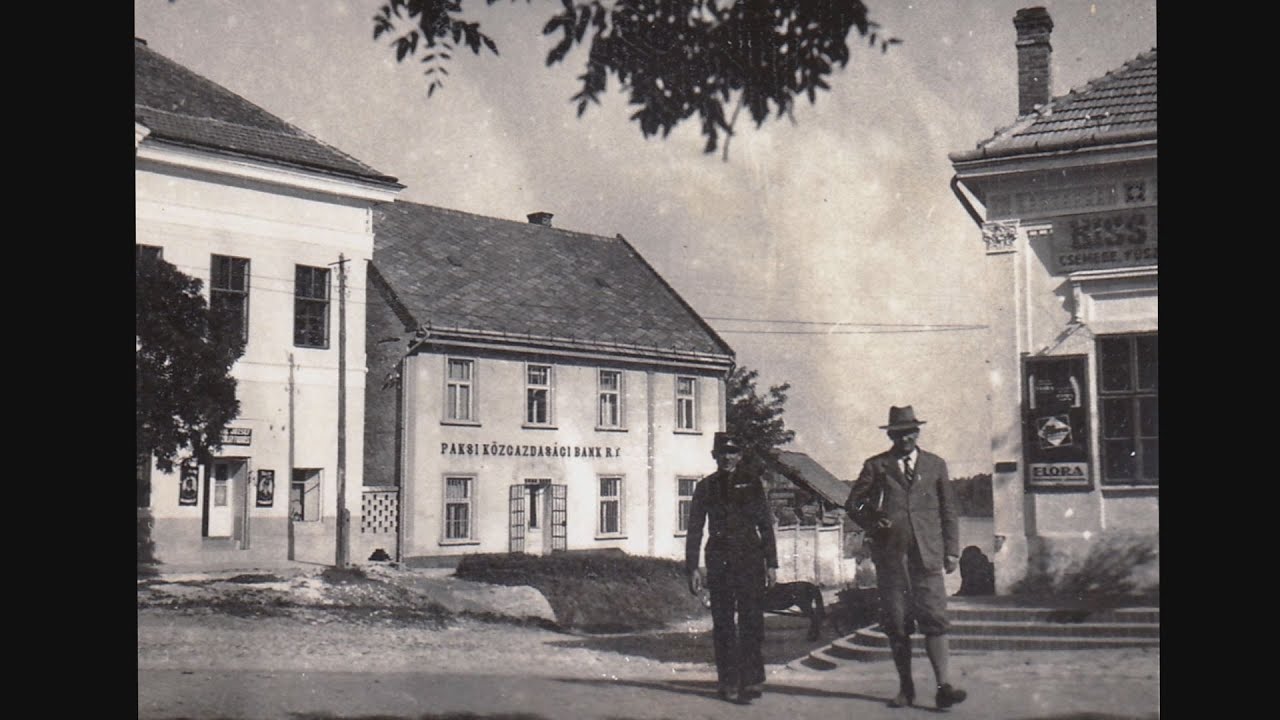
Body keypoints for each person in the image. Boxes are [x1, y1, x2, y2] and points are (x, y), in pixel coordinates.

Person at [844, 406, 968, 710]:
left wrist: (952, 550)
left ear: (918, 432)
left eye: (910, 432)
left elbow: (948, 510)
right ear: (890, 435)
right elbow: (853, 503)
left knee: (935, 619)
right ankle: (906, 688)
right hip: (891, 558)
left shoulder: (935, 465)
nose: (906, 438)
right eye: (899, 433)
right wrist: (874, 520)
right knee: (897, 623)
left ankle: (943, 687)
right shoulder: (876, 465)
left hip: (928, 556)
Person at [685, 432, 778, 703]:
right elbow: (694, 528)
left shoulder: (752, 483)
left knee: (752, 621)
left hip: (750, 559)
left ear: (740, 455)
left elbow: (765, 525)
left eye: (733, 452)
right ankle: (728, 682)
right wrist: (692, 568)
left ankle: (752, 679)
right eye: (723, 452)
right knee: (724, 622)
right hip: (719, 560)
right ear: (714, 455)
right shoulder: (705, 487)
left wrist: (771, 563)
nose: (727, 457)